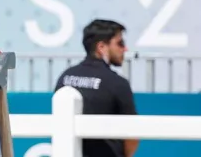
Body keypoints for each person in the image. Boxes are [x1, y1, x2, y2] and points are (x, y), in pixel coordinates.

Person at [54, 19, 139, 157]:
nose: (125, 49)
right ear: (101, 47)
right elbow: (132, 134)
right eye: (120, 43)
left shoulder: (65, 77)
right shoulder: (117, 83)